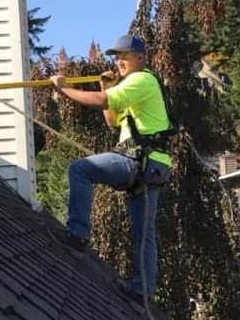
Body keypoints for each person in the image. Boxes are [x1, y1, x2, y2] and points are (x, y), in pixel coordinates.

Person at [50, 34, 173, 302]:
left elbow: (101, 101)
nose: (119, 61)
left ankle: (78, 235)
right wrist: (106, 86)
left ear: (140, 58)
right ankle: (142, 291)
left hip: (140, 162)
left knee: (80, 169)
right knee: (144, 233)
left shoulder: (142, 80)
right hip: (150, 166)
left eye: (124, 57)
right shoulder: (133, 86)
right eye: (116, 57)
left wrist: (63, 90)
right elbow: (111, 120)